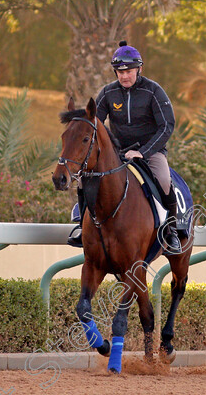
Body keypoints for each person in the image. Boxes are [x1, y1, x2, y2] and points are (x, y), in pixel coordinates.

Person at [67, 41, 182, 253]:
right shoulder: (108, 93)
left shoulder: (154, 91)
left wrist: (143, 152)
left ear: (139, 69)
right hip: (117, 154)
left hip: (150, 152)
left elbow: (167, 126)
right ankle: (81, 226)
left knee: (165, 180)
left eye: (128, 71)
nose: (124, 76)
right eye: (119, 72)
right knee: (85, 178)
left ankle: (172, 230)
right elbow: (94, 125)